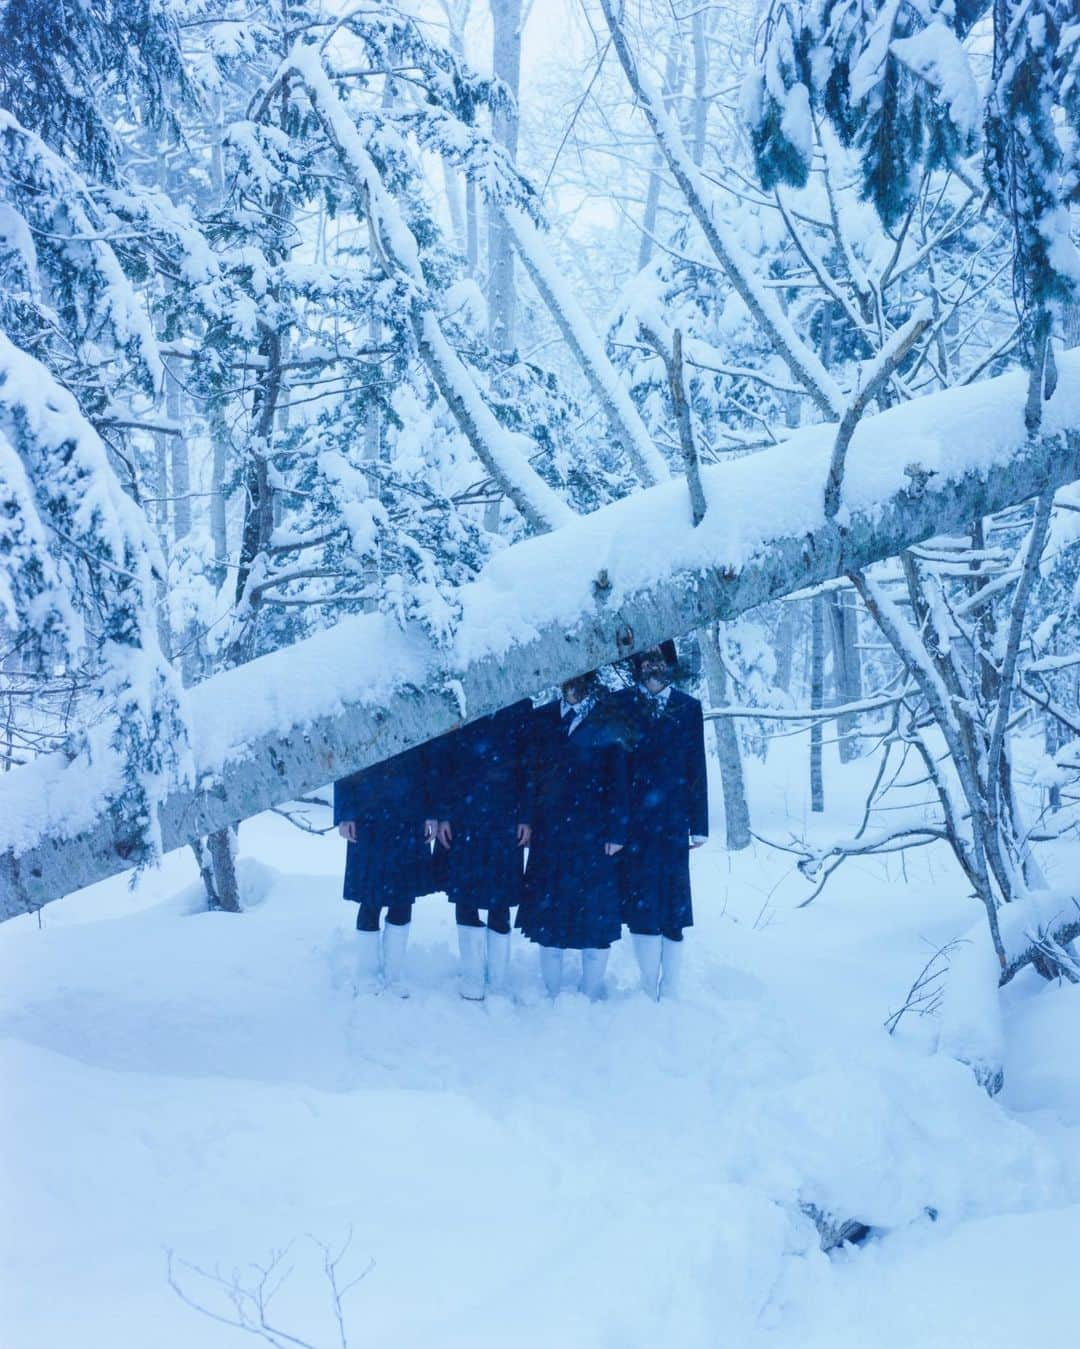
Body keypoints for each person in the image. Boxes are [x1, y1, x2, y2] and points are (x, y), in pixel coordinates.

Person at [517, 672, 629, 1001]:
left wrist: (617, 829)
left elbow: (619, 778)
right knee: (548, 918)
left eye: (580, 680)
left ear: (592, 680)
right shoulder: (542, 719)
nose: (572, 686)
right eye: (567, 679)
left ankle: (591, 991)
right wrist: (525, 818)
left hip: (594, 834)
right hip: (549, 832)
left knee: (595, 915)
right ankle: (552, 992)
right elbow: (529, 775)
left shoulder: (609, 719)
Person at [616, 641, 708, 1000]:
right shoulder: (622, 704)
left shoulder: (688, 707)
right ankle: (644, 983)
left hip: (672, 821)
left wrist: (698, 824)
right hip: (635, 821)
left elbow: (696, 767)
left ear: (669, 664)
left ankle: (670, 986)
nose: (652, 666)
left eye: (659, 659)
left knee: (673, 905)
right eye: (647, 659)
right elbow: (614, 770)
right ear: (638, 665)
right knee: (640, 905)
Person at [428, 702, 532, 1001]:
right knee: (466, 894)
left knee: (501, 899)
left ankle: (497, 980)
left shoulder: (521, 705)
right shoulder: (461, 700)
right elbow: (442, 761)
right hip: (465, 817)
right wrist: (444, 813)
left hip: (506, 819)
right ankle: (472, 977)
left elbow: (528, 766)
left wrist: (525, 816)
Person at [333, 745, 431, 997]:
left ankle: (393, 975)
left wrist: (433, 813)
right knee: (370, 899)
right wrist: (345, 814)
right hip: (368, 816)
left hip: (409, 816)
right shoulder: (358, 707)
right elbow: (345, 756)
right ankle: (366, 975)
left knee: (403, 899)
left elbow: (429, 758)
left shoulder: (416, 708)